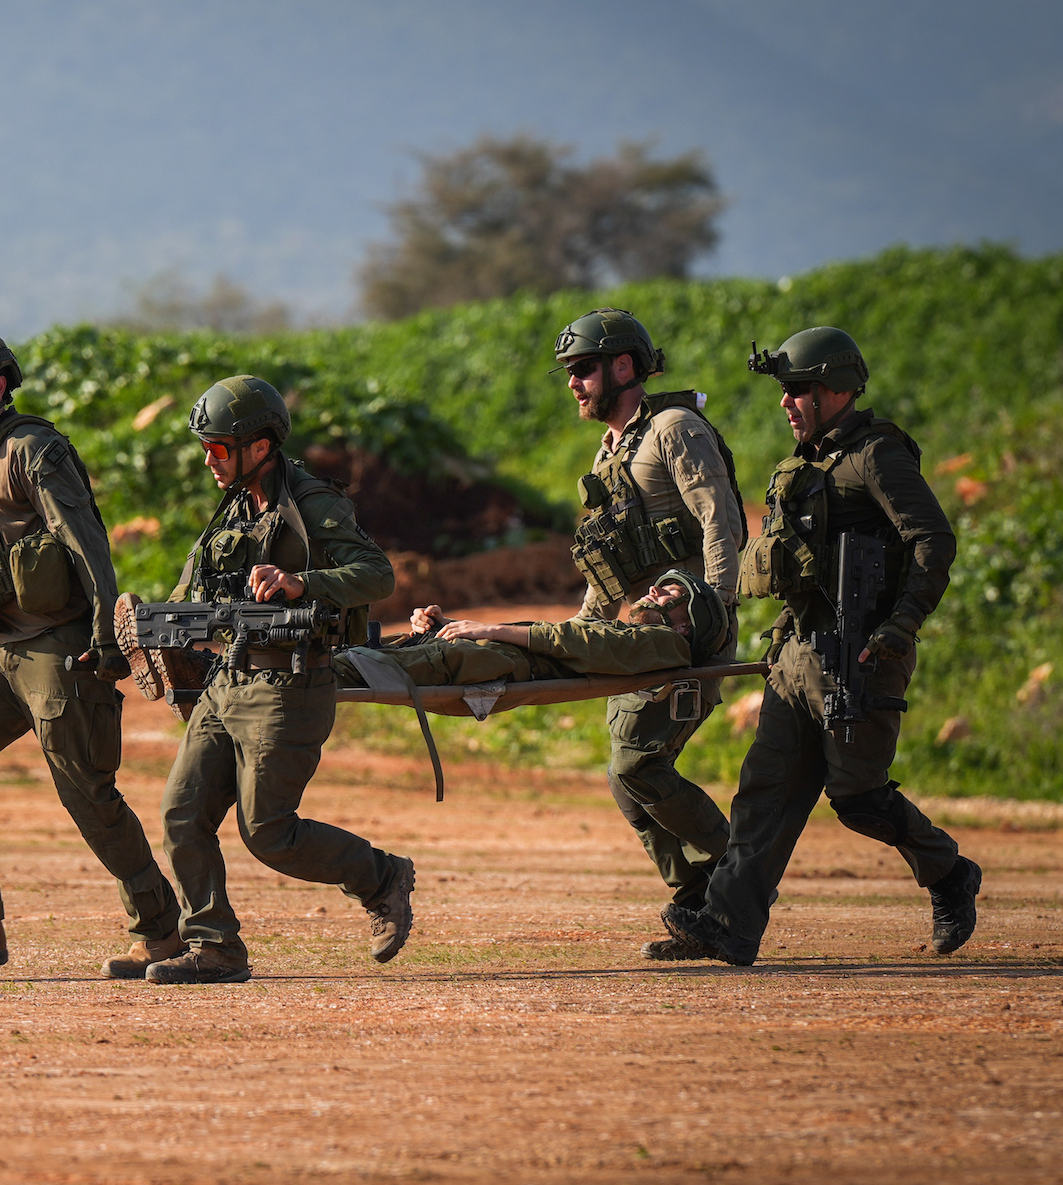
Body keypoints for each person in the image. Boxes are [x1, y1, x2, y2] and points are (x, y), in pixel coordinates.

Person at [660, 327, 979, 966]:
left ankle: (950, 875)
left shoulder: (878, 456)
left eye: (798, 389)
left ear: (838, 388)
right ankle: (727, 924)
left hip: (861, 656)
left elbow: (931, 541)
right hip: (797, 658)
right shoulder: (799, 467)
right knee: (764, 793)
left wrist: (901, 626)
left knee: (859, 798)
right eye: (784, 390)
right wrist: (780, 636)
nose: (787, 402)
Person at [0, 328, 182, 976]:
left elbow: (85, 542)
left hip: (58, 645)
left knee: (84, 788)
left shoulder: (35, 449)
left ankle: (161, 928)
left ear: (0, 384)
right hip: (0, 650)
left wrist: (106, 637)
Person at [146, 375, 406, 985]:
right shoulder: (232, 507)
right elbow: (191, 593)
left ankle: (382, 876)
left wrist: (303, 583)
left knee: (268, 833)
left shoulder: (312, 504)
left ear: (259, 447)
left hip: (290, 685)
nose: (208, 459)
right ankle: (214, 948)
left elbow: (376, 575)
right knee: (181, 815)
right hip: (225, 682)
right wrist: (138, 637)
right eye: (205, 447)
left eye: (218, 447)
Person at [554, 308, 746, 958]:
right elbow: (608, 565)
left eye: (583, 370)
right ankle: (698, 901)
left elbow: (721, 520)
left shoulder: (674, 430)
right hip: (633, 645)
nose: (575, 384)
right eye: (570, 373)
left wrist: (715, 610)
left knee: (638, 761)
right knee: (622, 776)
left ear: (625, 367)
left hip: (684, 639)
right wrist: (576, 640)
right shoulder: (611, 452)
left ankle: (738, 880)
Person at [356, 568, 726, 690]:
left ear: (684, 627)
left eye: (669, 594)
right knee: (358, 654)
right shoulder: (644, 640)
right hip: (489, 656)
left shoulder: (668, 645)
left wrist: (487, 628)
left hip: (493, 662)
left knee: (350, 667)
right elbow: (565, 637)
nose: (653, 591)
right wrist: (450, 624)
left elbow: (578, 639)